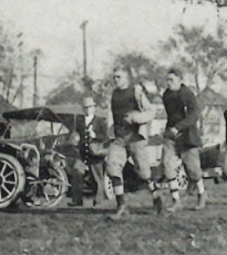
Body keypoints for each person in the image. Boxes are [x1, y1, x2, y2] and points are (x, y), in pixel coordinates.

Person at [106, 66, 156, 219]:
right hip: (120, 138)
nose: (116, 80)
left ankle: (156, 196)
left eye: (119, 77)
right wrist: (109, 134)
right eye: (114, 77)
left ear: (126, 78)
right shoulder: (114, 94)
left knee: (143, 173)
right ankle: (121, 205)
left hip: (135, 137)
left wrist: (136, 118)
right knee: (112, 166)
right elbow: (110, 115)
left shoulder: (135, 91)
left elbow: (151, 111)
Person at [161, 68, 207, 212]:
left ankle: (201, 194)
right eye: (167, 80)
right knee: (167, 165)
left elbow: (194, 115)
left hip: (188, 136)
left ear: (180, 80)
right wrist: (168, 130)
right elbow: (171, 116)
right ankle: (176, 200)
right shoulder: (166, 95)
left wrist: (179, 127)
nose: (169, 83)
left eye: (172, 80)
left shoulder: (187, 94)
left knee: (193, 169)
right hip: (172, 136)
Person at [68, 97, 108, 208]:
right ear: (82, 108)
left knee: (97, 178)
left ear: (94, 108)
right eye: (85, 107)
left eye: (90, 107)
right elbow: (76, 134)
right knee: (77, 173)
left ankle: (98, 201)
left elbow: (105, 137)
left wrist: (95, 136)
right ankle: (77, 200)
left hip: (95, 153)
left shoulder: (100, 121)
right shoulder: (79, 120)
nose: (88, 109)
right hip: (82, 153)